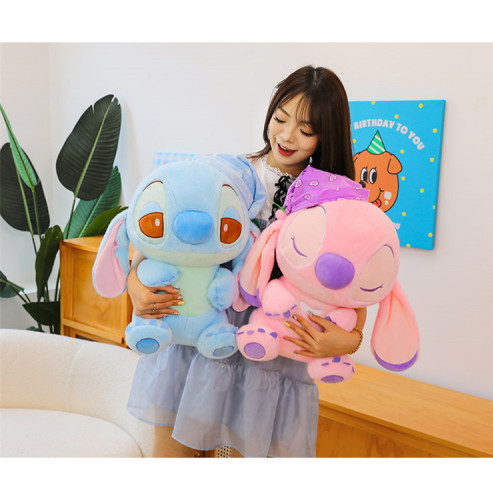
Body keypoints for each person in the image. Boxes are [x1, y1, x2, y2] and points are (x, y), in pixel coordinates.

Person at [126, 65, 366, 457]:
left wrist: (351, 339)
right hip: (202, 329)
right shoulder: (226, 174)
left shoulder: (336, 200)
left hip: (271, 352)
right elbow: (157, 236)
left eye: (305, 129)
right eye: (280, 119)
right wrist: (135, 285)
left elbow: (354, 286)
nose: (287, 136)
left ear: (327, 134)